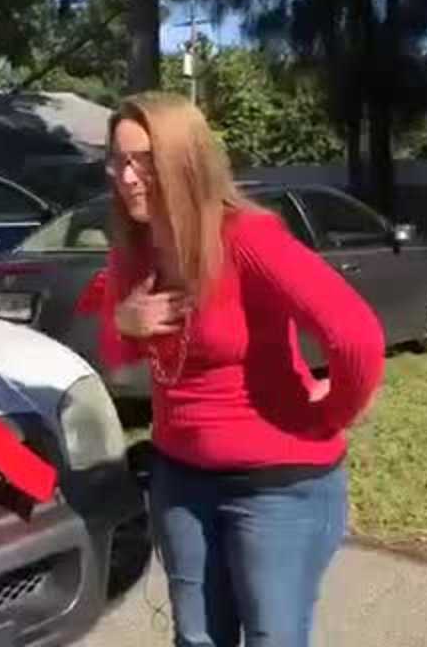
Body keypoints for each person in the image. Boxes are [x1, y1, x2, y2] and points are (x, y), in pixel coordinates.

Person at [98, 91, 386, 647]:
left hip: (276, 489)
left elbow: (357, 337)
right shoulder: (134, 250)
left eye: (145, 161)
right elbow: (119, 359)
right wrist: (125, 324)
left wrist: (330, 413)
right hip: (180, 478)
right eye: (118, 161)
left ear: (185, 161)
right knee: (198, 639)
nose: (128, 178)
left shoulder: (247, 239)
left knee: (271, 638)